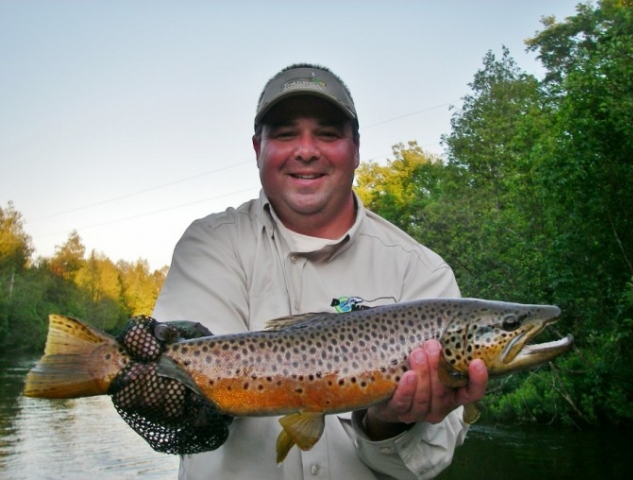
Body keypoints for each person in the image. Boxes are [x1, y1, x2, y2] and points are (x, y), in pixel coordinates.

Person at [153, 63, 488, 480]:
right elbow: (196, 403)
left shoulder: (421, 272)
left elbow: (427, 463)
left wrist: (387, 420)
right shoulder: (211, 244)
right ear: (258, 148)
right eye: (285, 133)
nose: (307, 150)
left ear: (356, 150)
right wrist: (166, 392)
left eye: (328, 134)